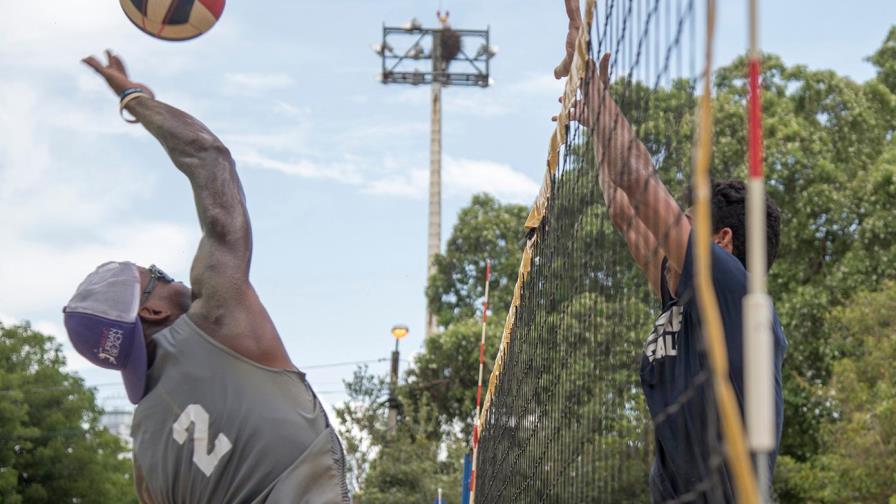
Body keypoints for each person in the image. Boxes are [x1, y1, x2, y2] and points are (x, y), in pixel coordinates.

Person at [63, 50, 351, 503]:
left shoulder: (145, 451)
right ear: (151, 308)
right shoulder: (216, 319)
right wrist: (135, 99)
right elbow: (210, 157)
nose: (172, 276)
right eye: (155, 274)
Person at [566, 49, 787, 502]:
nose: (672, 232)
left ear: (722, 241)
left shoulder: (734, 289)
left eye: (688, 221)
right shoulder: (689, 306)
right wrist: (598, 120)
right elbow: (624, 210)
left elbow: (638, 180)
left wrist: (593, 84)